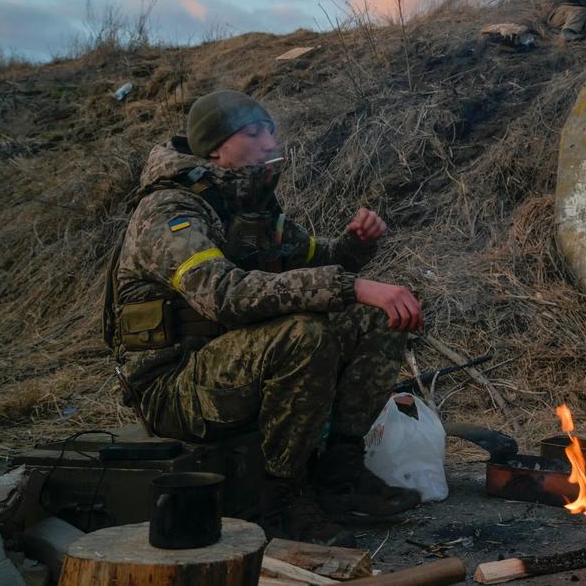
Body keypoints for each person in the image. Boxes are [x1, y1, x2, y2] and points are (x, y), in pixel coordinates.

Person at [104, 89, 423, 538]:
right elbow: (224, 294)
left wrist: (356, 246)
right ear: (215, 148)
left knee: (374, 319)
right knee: (304, 334)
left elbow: (317, 262)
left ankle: (339, 474)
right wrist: (352, 285)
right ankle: (279, 502)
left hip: (228, 363)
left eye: (270, 131)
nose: (270, 142)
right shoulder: (171, 210)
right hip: (171, 384)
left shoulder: (251, 207)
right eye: (253, 132)